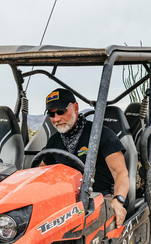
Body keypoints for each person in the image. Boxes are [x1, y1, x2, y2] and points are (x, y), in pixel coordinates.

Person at [40, 88, 129, 227]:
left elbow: (121, 173)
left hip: (98, 198)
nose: (56, 118)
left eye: (61, 112)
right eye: (51, 114)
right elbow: (42, 173)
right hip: (64, 201)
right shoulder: (54, 141)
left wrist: (118, 201)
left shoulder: (102, 135)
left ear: (75, 108)